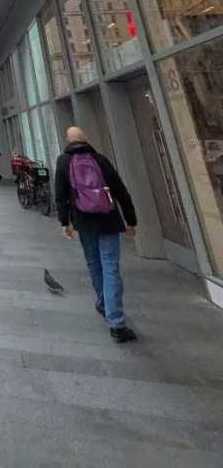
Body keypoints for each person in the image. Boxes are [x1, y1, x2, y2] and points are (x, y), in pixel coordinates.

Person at [55, 126, 138, 343]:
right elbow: (121, 191)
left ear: (67, 141)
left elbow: (60, 195)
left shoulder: (63, 162)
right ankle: (117, 322)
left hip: (83, 222)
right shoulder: (100, 160)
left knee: (93, 262)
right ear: (86, 139)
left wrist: (64, 223)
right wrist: (131, 220)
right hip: (108, 220)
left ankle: (103, 302)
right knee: (110, 267)